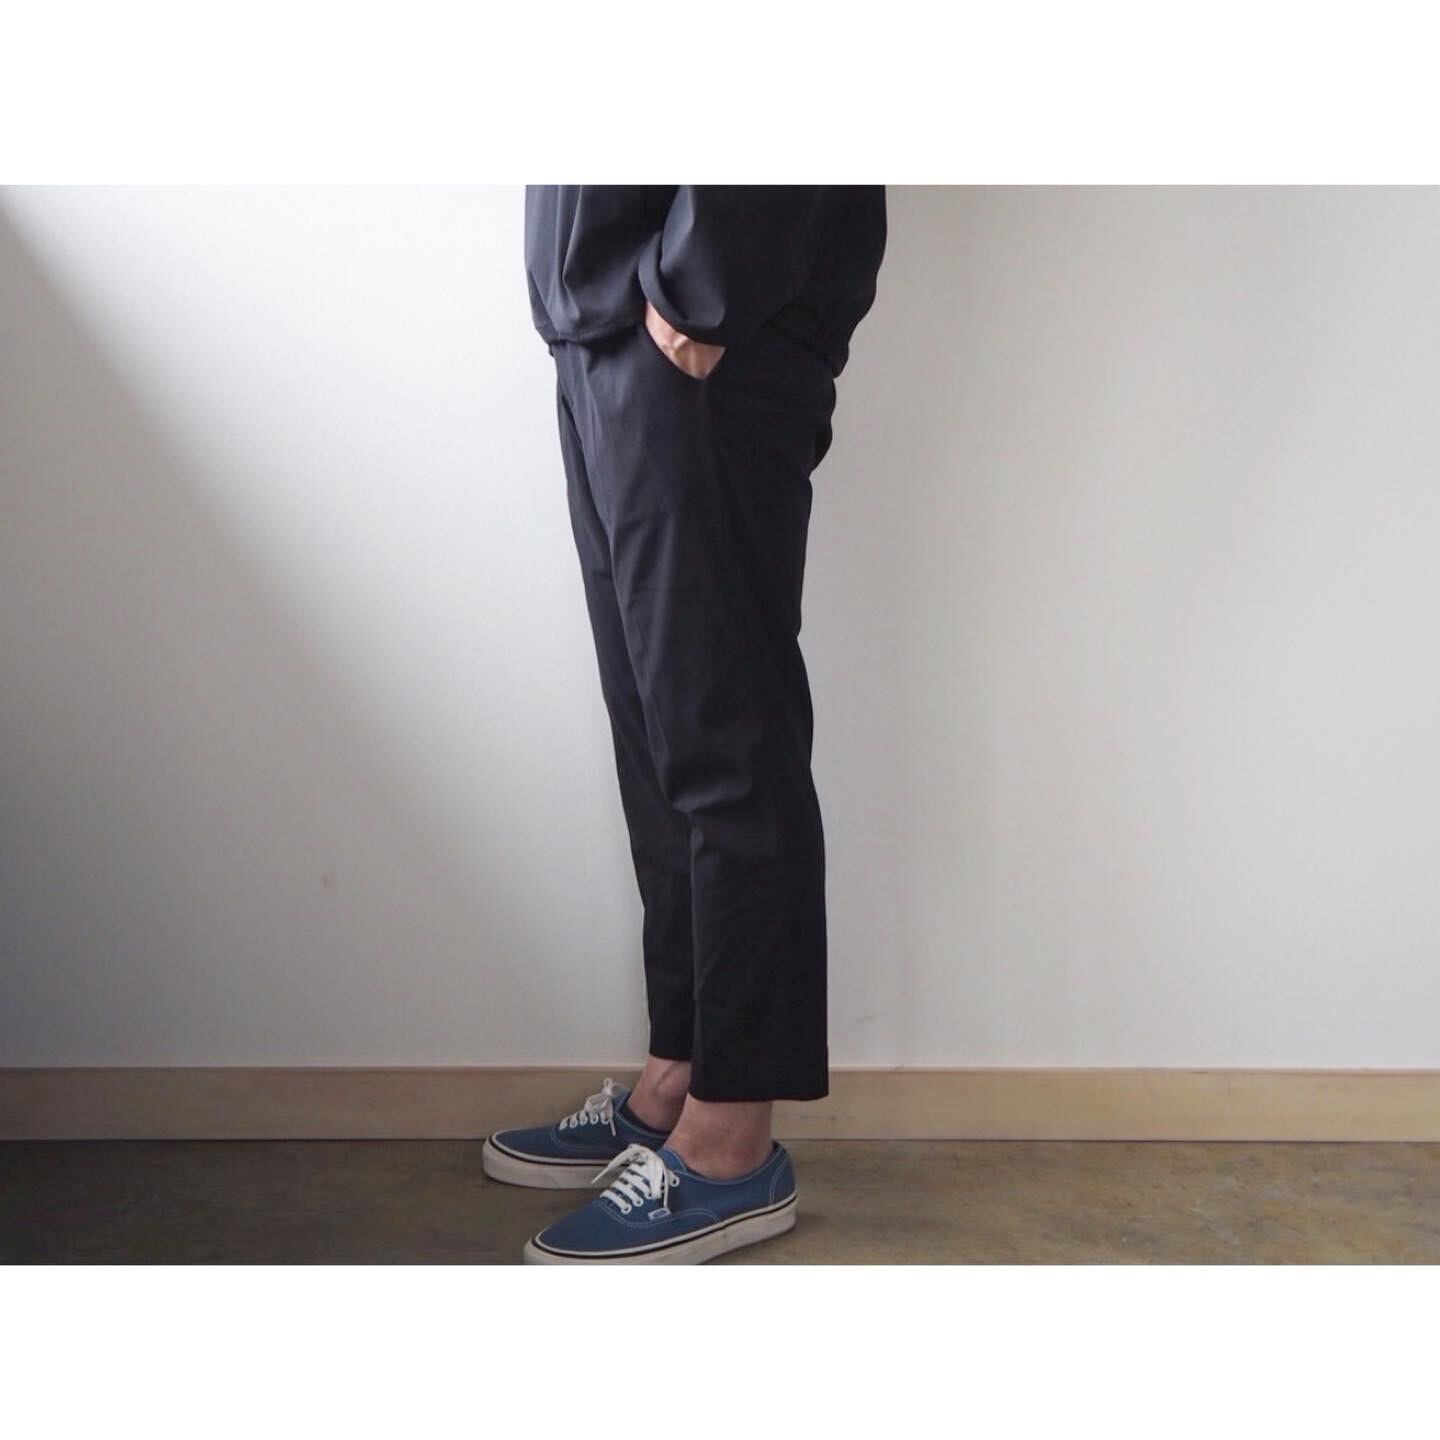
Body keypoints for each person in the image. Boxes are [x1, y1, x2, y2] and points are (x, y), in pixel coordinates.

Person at [482, 185, 887, 1263]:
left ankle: (731, 1143)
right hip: (604, 324)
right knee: (657, 741)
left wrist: (703, 287)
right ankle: (678, 1075)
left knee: (725, 738)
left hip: (709, 329)